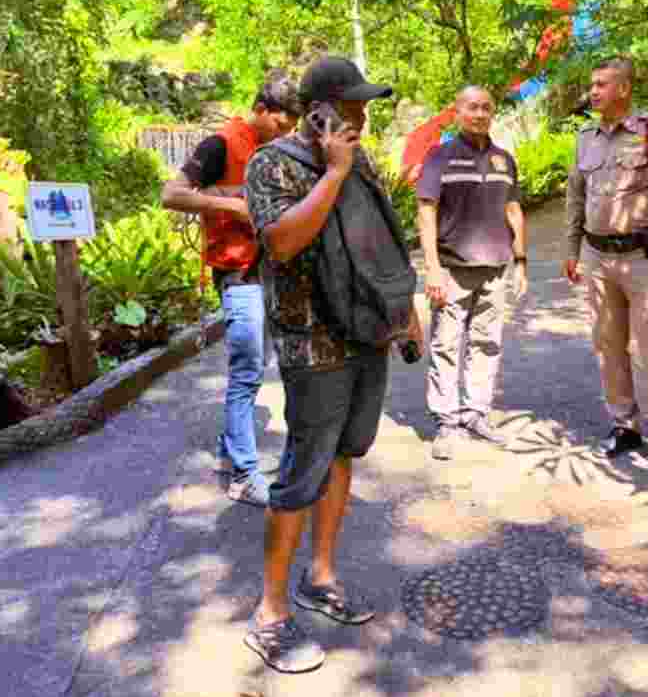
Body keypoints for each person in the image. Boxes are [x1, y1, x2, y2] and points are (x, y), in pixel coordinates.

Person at [242, 56, 424, 674]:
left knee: (345, 455)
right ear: (318, 111)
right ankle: (269, 613)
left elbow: (382, 240)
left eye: (365, 107)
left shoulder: (359, 159)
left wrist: (405, 312)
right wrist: (335, 171)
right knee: (302, 471)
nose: (362, 117)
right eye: (351, 107)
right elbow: (281, 241)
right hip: (312, 343)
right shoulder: (272, 164)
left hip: (365, 334)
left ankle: (320, 576)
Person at [161, 70, 300, 507]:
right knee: (247, 371)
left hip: (270, 272)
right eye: (280, 123)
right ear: (260, 109)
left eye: (291, 127)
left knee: (257, 366)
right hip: (238, 274)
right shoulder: (219, 145)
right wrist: (230, 206)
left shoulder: (274, 150)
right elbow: (171, 195)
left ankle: (229, 449)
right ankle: (243, 474)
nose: (285, 133)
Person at [563, 56, 648, 480]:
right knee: (608, 345)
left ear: (623, 89)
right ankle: (625, 425)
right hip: (596, 257)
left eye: (602, 84)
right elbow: (575, 196)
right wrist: (571, 248)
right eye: (592, 84)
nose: (593, 91)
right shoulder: (584, 137)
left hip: (642, 258)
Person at [415, 86, 528, 460]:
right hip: (452, 269)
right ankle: (447, 422)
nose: (480, 114)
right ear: (457, 112)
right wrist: (432, 268)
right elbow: (426, 212)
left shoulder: (504, 160)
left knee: (487, 342)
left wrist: (521, 261)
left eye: (486, 108)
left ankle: (476, 412)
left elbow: (513, 211)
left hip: (495, 269)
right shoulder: (440, 157)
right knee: (446, 345)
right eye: (472, 108)